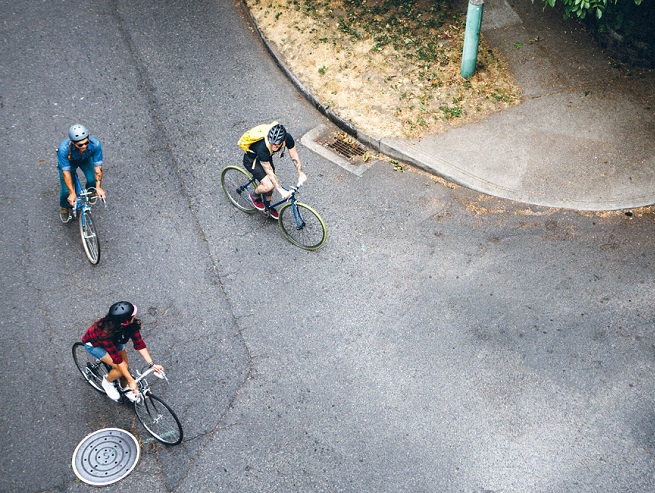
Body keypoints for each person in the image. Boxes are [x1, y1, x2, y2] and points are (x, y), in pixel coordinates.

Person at [81, 301, 164, 402]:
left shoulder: (130, 325)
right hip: (95, 345)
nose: (135, 315)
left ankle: (125, 389)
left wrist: (151, 364)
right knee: (121, 369)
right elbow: (117, 360)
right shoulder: (105, 333)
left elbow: (139, 344)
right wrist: (131, 380)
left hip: (116, 339)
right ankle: (107, 382)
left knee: (126, 368)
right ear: (126, 321)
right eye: (133, 314)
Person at [243, 123, 307, 219]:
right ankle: (254, 195)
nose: (273, 147)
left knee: (272, 185)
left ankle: (267, 206)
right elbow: (270, 174)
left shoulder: (287, 138)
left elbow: (294, 155)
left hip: (266, 159)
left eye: (276, 145)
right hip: (252, 161)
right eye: (272, 144)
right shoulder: (263, 148)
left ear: (283, 140)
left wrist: (300, 173)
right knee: (269, 185)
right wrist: (282, 191)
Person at [57, 124, 107, 223]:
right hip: (69, 163)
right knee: (66, 191)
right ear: (72, 143)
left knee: (92, 179)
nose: (84, 146)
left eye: (86, 143)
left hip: (85, 159)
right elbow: (66, 172)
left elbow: (98, 167)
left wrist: (98, 187)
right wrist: (72, 193)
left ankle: (91, 191)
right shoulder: (64, 149)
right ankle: (64, 207)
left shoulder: (95, 144)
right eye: (80, 145)